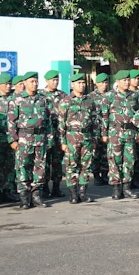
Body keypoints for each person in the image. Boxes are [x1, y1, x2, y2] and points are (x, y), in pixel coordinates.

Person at [8, 71, 53, 208]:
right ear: (25, 83)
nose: (34, 84)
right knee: (22, 167)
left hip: (40, 138)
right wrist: (13, 140)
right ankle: (24, 197)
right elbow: (11, 122)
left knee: (39, 168)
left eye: (36, 81)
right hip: (23, 138)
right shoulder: (17, 99)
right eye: (32, 81)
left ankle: (36, 196)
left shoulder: (43, 99)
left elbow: (48, 122)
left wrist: (50, 139)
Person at [58, 73, 99, 204]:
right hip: (72, 137)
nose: (81, 85)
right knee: (71, 166)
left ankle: (83, 192)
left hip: (87, 137)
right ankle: (73, 194)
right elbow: (61, 123)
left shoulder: (89, 101)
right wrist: (63, 141)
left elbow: (94, 121)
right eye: (78, 83)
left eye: (83, 83)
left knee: (86, 166)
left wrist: (94, 139)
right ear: (72, 84)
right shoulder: (66, 101)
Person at [103, 70, 139, 200]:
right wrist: (104, 133)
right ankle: (116, 188)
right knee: (115, 160)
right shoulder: (109, 96)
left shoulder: (134, 96)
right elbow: (104, 116)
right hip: (115, 132)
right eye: (124, 80)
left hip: (130, 132)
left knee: (129, 161)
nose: (127, 82)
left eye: (128, 80)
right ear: (117, 82)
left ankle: (127, 187)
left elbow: (138, 115)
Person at [40, 70, 67, 198]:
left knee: (57, 162)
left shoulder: (62, 95)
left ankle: (56, 188)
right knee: (44, 162)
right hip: (44, 134)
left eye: (57, 80)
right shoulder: (40, 95)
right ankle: (44, 188)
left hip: (59, 133)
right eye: (53, 80)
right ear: (46, 81)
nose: (55, 82)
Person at [0, 73, 18, 203]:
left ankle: (8, 190)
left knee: (10, 165)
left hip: (11, 137)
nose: (8, 86)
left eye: (10, 84)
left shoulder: (15, 98)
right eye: (6, 84)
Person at [89, 73, 110, 186]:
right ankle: (96, 175)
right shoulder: (91, 97)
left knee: (106, 153)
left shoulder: (110, 96)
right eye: (101, 83)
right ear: (96, 84)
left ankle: (105, 174)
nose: (104, 85)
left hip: (107, 130)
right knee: (96, 153)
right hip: (95, 130)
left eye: (105, 82)